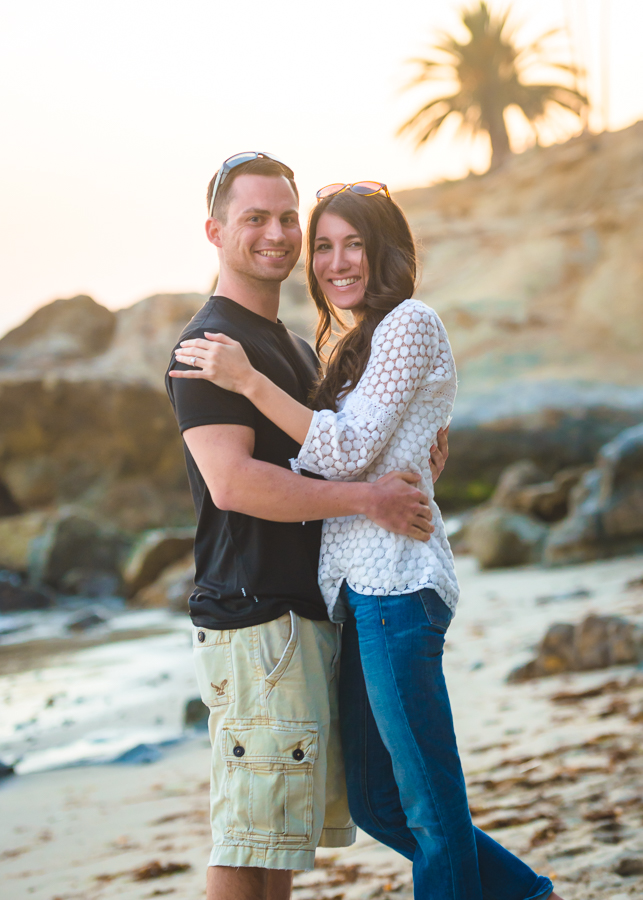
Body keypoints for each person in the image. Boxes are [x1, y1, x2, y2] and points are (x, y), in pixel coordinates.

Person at [173, 182, 565, 900]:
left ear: (387, 249)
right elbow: (289, 470)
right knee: (373, 805)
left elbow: (346, 450)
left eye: (350, 242)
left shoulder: (403, 323)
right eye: (323, 243)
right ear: (216, 230)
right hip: (340, 601)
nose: (332, 258)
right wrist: (394, 475)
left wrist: (255, 386)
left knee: (419, 810)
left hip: (392, 591)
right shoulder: (330, 345)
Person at [165, 153, 449, 900]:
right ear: (215, 231)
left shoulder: (290, 346)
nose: (277, 234)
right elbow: (233, 484)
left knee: (277, 839)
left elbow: (337, 453)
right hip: (252, 616)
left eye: (287, 217)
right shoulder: (208, 348)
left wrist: (417, 452)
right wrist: (367, 503)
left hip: (303, 615)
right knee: (246, 834)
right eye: (254, 218)